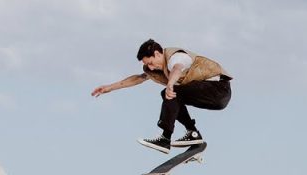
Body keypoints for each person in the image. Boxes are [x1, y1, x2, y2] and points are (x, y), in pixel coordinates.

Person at [91, 39, 232, 153]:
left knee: (172, 93)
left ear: (158, 54)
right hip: (209, 93)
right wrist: (109, 88)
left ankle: (165, 138)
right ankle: (192, 133)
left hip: (218, 89)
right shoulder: (155, 69)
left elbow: (177, 68)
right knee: (173, 95)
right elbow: (139, 78)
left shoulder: (175, 56)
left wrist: (170, 84)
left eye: (151, 63)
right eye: (147, 65)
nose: (151, 68)